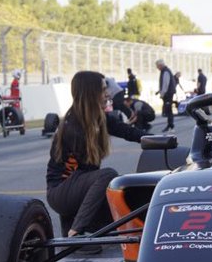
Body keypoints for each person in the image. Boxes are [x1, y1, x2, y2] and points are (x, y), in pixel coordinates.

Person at [46, 70, 145, 240]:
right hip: (60, 193)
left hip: (74, 190)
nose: (108, 94)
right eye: (103, 89)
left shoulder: (97, 118)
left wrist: (162, 140)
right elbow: (81, 176)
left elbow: (128, 132)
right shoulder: (73, 127)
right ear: (91, 92)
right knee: (107, 175)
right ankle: (76, 232)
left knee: (125, 205)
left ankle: (77, 232)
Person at [156, 59, 176, 129]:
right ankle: (170, 124)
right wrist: (159, 91)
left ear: (160, 65)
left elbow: (165, 84)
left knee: (168, 109)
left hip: (168, 94)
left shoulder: (165, 72)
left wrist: (162, 94)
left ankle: (170, 125)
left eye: (157, 66)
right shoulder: (165, 71)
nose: (157, 68)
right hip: (169, 93)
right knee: (168, 109)